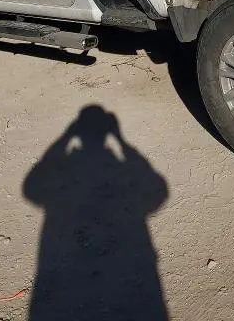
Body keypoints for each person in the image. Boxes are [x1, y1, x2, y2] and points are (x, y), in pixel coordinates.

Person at [23, 105, 169, 320]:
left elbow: (31, 188)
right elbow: (159, 192)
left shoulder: (70, 166)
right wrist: (122, 142)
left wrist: (65, 138)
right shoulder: (120, 165)